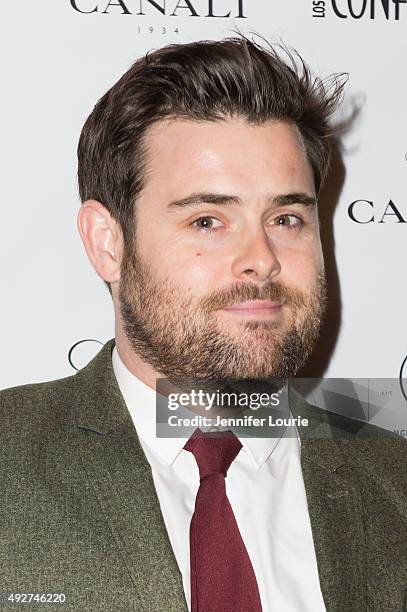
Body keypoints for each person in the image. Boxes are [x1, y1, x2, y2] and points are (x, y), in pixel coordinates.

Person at [0, 36, 406, 612]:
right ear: (107, 242)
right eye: (209, 220)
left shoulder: (395, 485)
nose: (261, 258)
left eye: (286, 217)